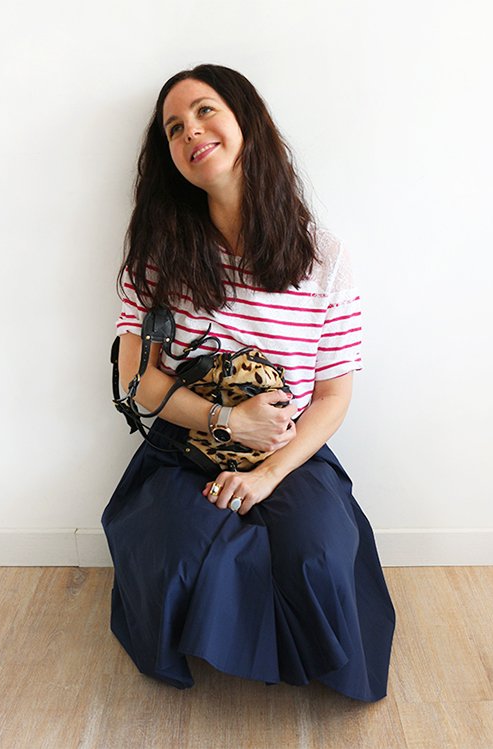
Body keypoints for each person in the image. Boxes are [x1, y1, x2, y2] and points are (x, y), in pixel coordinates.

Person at [101, 64, 396, 702]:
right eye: (174, 128)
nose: (190, 131)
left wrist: (267, 474)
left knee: (316, 554)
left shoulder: (324, 257)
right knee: (178, 554)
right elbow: (137, 380)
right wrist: (229, 421)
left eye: (205, 111)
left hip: (287, 451)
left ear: (247, 123)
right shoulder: (158, 255)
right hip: (183, 448)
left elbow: (333, 396)